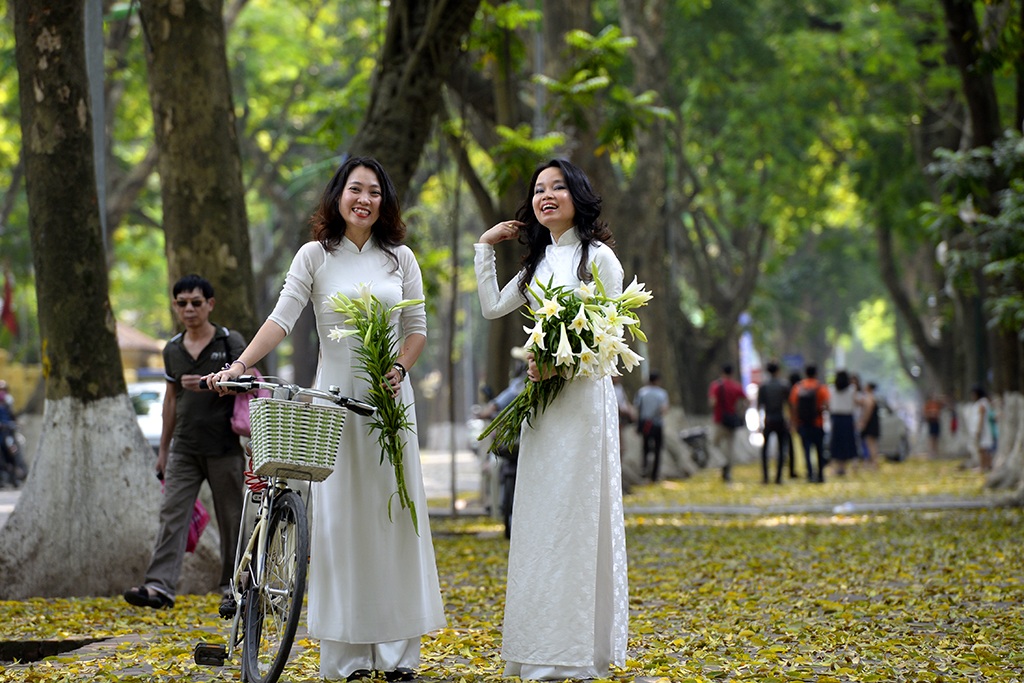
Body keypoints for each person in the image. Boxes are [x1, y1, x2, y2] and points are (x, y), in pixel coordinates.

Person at [207, 157, 444, 682]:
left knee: (394, 520)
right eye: (355, 189)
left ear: (385, 202)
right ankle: (348, 656)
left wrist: (401, 367)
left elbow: (417, 329)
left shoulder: (400, 258)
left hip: (388, 406)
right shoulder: (315, 256)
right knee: (340, 526)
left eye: (375, 192)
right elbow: (281, 319)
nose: (364, 199)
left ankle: (399, 655)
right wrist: (240, 365)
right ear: (338, 195)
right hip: (334, 406)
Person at [474, 158, 628, 681]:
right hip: (543, 407)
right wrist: (483, 247)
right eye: (538, 189)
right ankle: (537, 647)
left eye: (557, 187)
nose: (546, 196)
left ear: (577, 196)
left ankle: (578, 650)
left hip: (583, 405)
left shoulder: (599, 258)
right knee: (540, 520)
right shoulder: (536, 266)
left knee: (577, 518)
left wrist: (564, 359)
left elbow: (612, 340)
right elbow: (494, 308)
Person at [123, 274, 246, 611]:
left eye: (196, 302)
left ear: (210, 304)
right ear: (175, 307)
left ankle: (234, 588)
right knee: (171, 515)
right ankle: (159, 587)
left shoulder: (229, 341)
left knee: (232, 519)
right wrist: (163, 452)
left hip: (225, 447)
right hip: (184, 448)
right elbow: (170, 402)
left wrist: (209, 383)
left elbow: (250, 383)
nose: (189, 309)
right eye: (182, 303)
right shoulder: (173, 349)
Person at [790, 364, 830, 483]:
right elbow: (827, 405)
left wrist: (794, 422)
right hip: (817, 423)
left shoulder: (798, 388)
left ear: (805, 373)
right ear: (816, 373)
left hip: (803, 424)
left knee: (806, 450)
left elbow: (793, 406)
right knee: (819, 449)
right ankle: (821, 475)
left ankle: (810, 474)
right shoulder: (821, 388)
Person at [708, 364, 746, 482]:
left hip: (720, 420)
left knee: (713, 444)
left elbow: (713, 402)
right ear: (732, 373)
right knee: (730, 448)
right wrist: (739, 411)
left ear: (722, 372)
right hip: (732, 420)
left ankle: (722, 462)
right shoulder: (736, 386)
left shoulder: (716, 386)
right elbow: (746, 400)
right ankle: (727, 473)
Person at [634, 371, 670, 482]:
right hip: (657, 424)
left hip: (645, 424)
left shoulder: (641, 392)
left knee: (645, 448)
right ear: (657, 381)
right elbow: (664, 409)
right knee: (658, 449)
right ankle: (655, 475)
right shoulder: (662, 393)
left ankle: (644, 470)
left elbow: (637, 408)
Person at [757, 362, 790, 485]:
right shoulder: (784, 385)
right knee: (782, 449)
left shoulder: (763, 386)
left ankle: (765, 477)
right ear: (777, 371)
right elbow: (789, 405)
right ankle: (778, 477)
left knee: (765, 450)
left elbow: (759, 406)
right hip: (780, 419)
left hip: (768, 420)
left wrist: (759, 423)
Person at [828, 370, 858, 476]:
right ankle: (844, 466)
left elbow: (828, 404)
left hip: (836, 418)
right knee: (847, 442)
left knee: (836, 442)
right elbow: (855, 403)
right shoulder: (852, 389)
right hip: (847, 418)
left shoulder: (831, 389)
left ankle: (836, 467)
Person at [965, 385, 995, 472]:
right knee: (983, 448)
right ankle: (987, 465)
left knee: (982, 449)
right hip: (980, 429)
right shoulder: (980, 403)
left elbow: (981, 417)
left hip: (982, 429)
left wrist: (979, 429)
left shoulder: (982, 403)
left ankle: (983, 466)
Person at [858, 381, 881, 467]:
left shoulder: (869, 397)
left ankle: (874, 463)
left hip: (870, 424)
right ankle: (873, 462)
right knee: (873, 443)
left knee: (870, 444)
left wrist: (864, 422)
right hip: (874, 423)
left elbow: (868, 411)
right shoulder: (873, 397)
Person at [922, 393, 945, 458]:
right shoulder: (928, 404)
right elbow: (925, 413)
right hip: (931, 422)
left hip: (936, 421)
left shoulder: (937, 404)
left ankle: (936, 451)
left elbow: (941, 409)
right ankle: (931, 452)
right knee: (931, 437)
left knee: (936, 437)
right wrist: (931, 414)